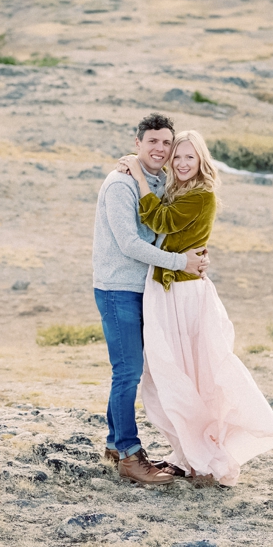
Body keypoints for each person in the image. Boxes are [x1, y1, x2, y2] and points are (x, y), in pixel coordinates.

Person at [115, 129, 273, 488]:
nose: (181, 162)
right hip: (169, 290)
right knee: (169, 373)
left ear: (201, 159)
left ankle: (206, 452)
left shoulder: (202, 195)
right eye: (177, 157)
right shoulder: (181, 191)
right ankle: (188, 452)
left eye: (189, 156)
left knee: (191, 372)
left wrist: (139, 175)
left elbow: (159, 221)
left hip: (186, 296)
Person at [91, 113, 209, 486]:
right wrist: (181, 263)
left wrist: (193, 255)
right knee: (127, 372)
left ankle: (115, 444)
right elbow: (130, 244)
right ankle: (129, 454)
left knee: (132, 371)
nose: (160, 149)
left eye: (166, 143)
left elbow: (167, 228)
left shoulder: (160, 183)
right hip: (117, 288)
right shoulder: (120, 184)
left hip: (146, 290)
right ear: (137, 142)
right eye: (152, 141)